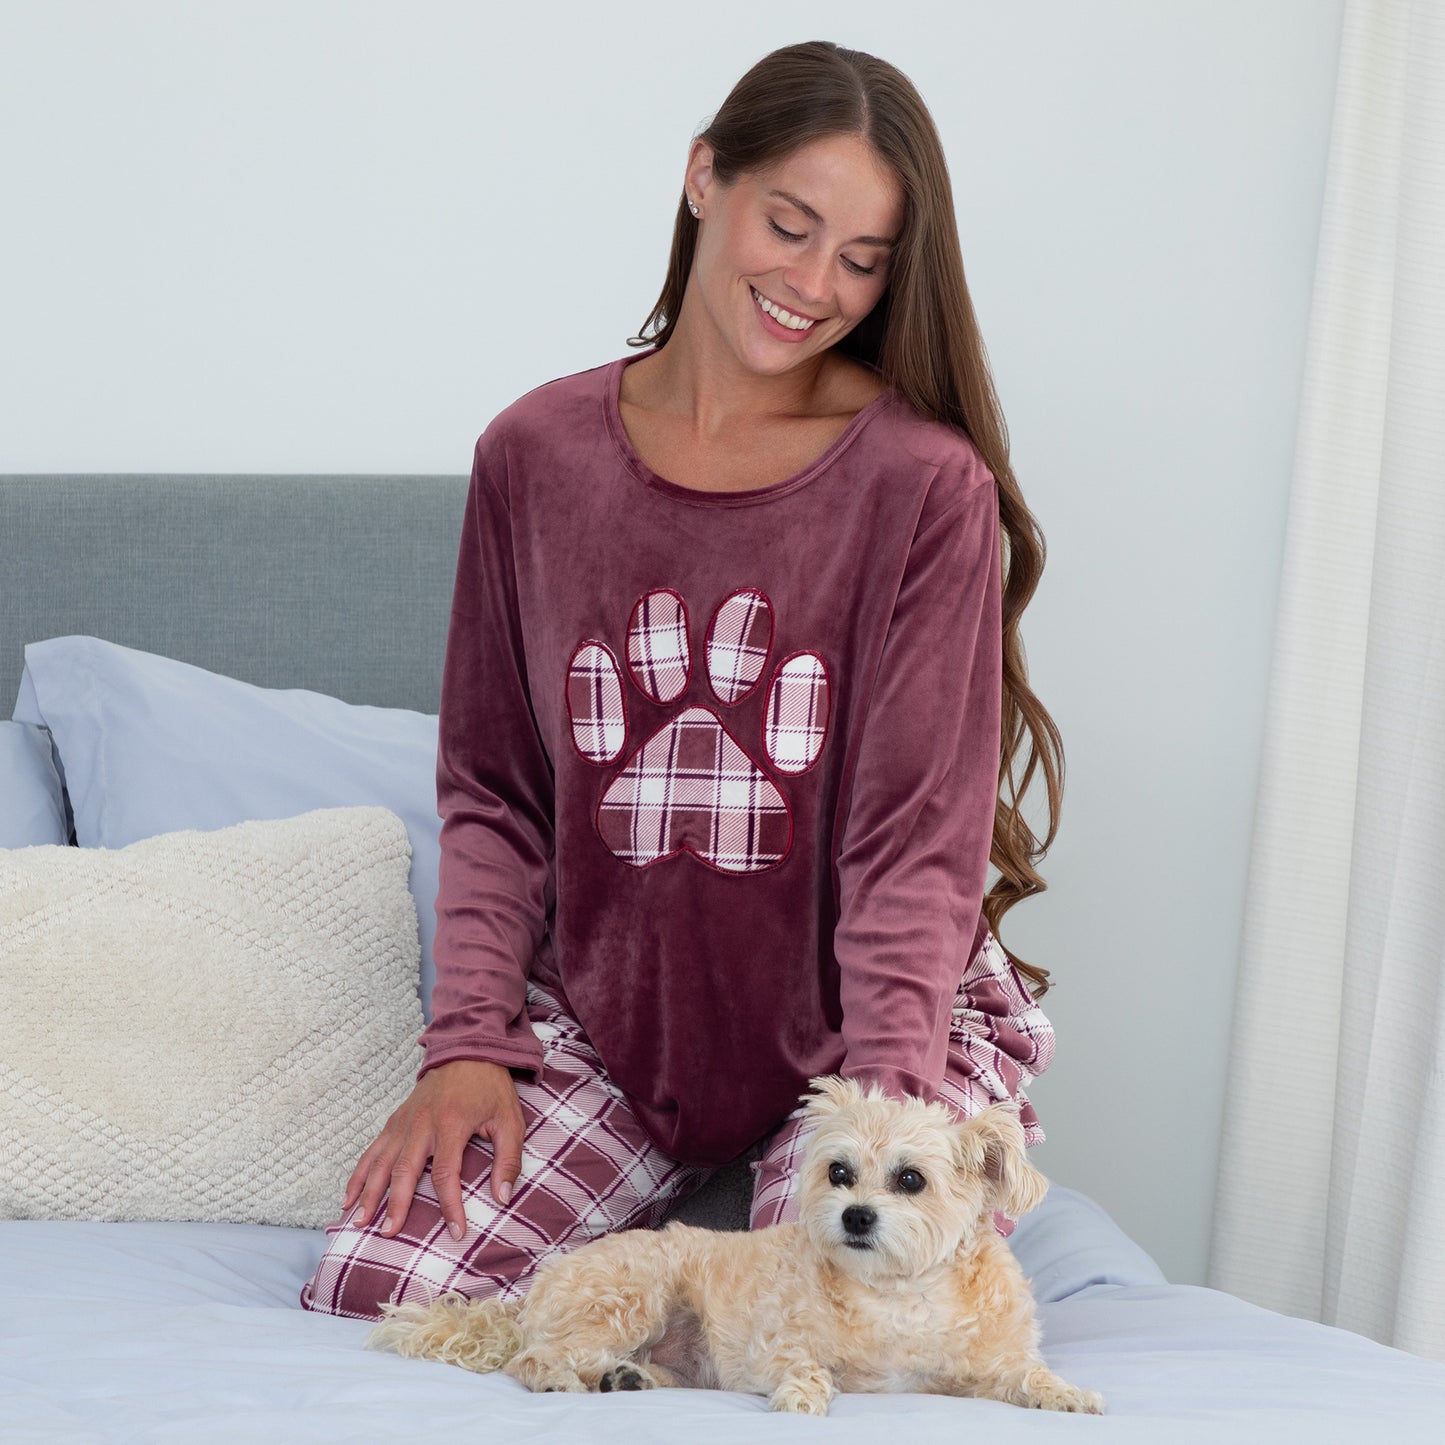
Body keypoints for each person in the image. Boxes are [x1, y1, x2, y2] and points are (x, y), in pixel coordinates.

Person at [300, 38, 1065, 1322]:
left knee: (841, 1325)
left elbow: (910, 845)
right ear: (705, 177)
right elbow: (493, 789)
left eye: (862, 261)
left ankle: (735, 1223)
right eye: (790, 223)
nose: (814, 284)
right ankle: (685, 1217)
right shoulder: (532, 455)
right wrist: (472, 1041)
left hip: (865, 1030)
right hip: (612, 1017)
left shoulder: (922, 486)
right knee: (378, 1286)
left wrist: (880, 1123)